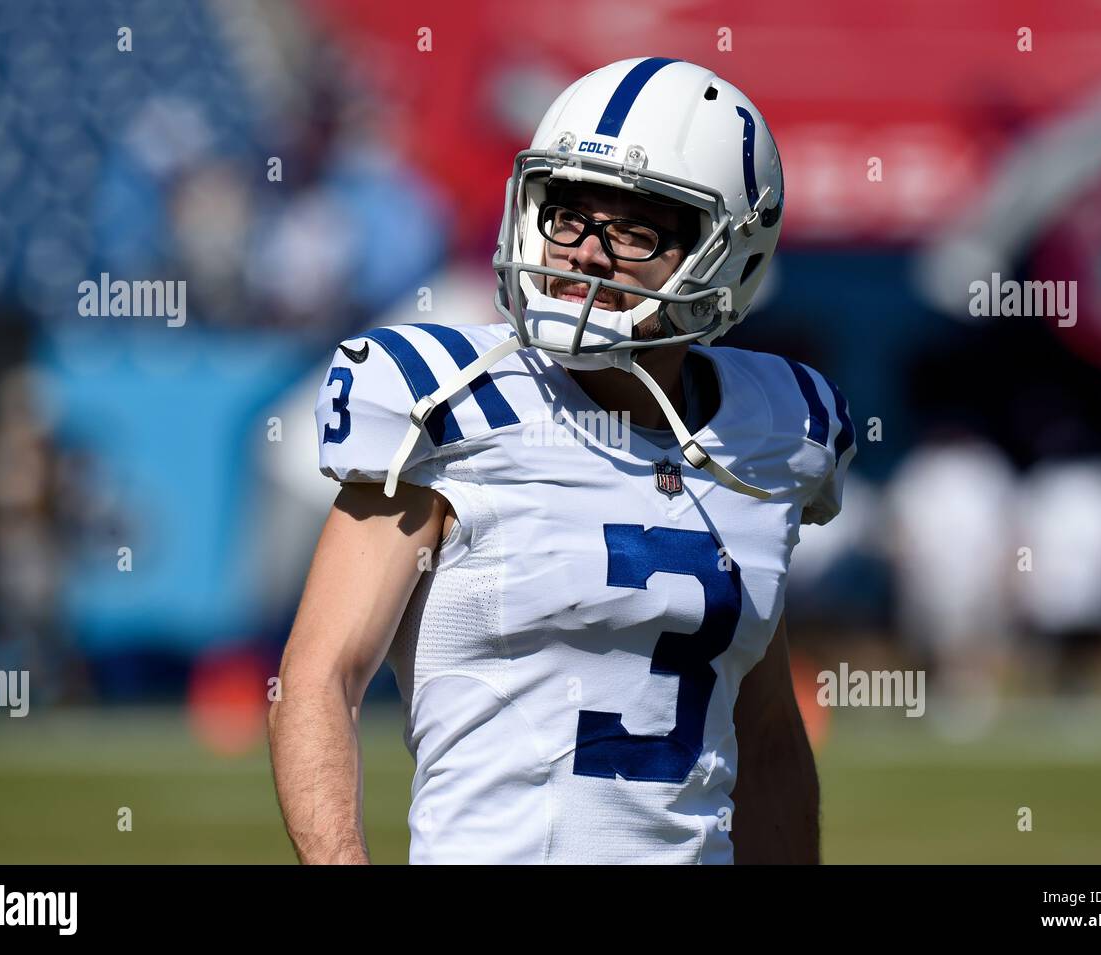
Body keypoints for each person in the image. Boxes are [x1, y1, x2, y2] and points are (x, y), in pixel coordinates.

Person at [269, 57, 855, 864]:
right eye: (569, 215)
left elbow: (767, 731)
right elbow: (317, 676)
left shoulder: (771, 436)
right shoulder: (448, 403)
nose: (585, 253)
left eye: (637, 228)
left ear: (730, 254)